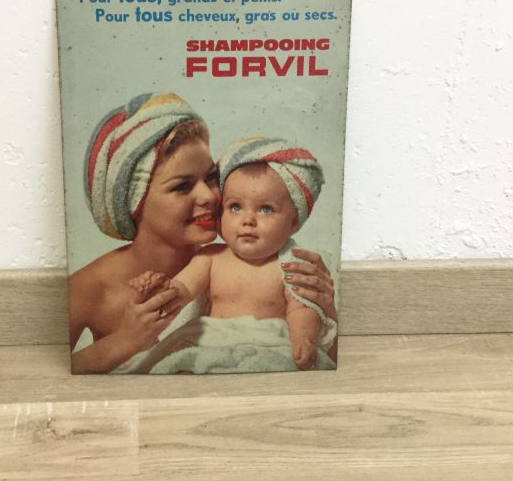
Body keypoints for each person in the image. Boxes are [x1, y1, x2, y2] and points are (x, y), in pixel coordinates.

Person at [68, 93, 337, 374]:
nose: (209, 196)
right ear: (134, 203)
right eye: (182, 186)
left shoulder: (249, 254)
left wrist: (326, 309)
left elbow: (322, 364)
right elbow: (53, 374)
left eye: (210, 177)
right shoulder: (85, 289)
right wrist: (124, 341)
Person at [129, 136, 332, 370]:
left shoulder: (291, 264)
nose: (248, 220)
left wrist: (304, 338)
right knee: (180, 365)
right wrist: (157, 290)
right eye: (235, 207)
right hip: (211, 344)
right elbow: (182, 289)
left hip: (266, 346)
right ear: (220, 213)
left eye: (266, 209)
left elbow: (302, 308)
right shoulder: (211, 258)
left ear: (293, 222)